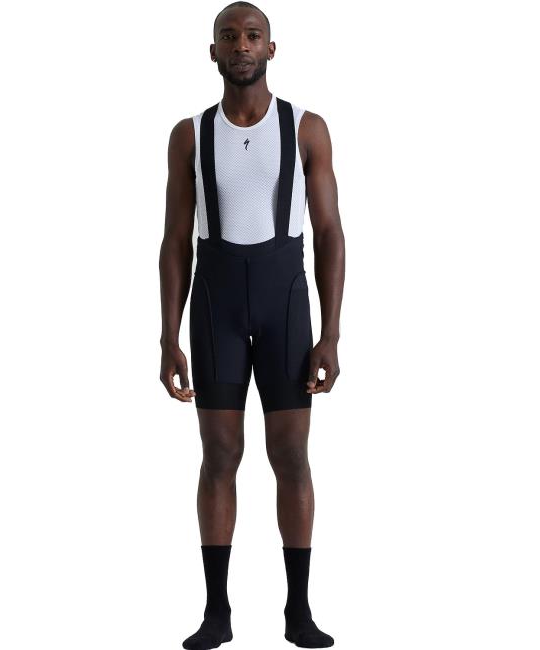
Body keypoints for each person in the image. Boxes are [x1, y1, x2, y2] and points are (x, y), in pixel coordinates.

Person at [159, 2, 345, 647]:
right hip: (215, 305)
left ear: (271, 48)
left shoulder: (306, 128)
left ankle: (299, 611)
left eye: (253, 35)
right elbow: (175, 241)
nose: (241, 44)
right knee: (219, 455)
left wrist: (331, 334)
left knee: (290, 455)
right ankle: (217, 613)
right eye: (229, 36)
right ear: (213, 51)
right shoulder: (190, 134)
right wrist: (168, 336)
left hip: (284, 303)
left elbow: (329, 232)